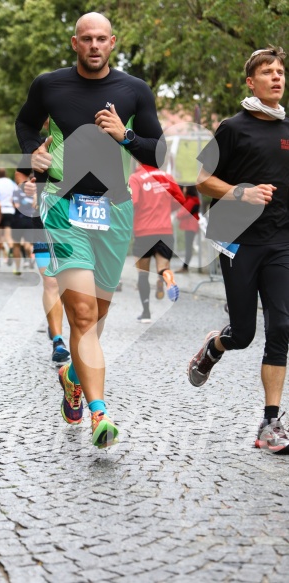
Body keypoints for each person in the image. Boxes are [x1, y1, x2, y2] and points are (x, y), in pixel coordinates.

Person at [15, 12, 165, 448]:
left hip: (115, 210)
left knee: (96, 318)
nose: (95, 45)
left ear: (112, 42)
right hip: (62, 204)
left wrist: (126, 137)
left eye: (102, 38)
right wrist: (32, 154)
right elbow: (27, 124)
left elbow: (156, 154)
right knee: (80, 314)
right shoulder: (50, 85)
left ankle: (72, 375)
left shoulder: (134, 91)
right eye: (87, 39)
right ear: (75, 43)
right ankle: (100, 414)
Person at [187, 46, 289, 454]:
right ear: (251, 82)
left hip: (281, 241)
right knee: (244, 334)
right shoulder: (233, 127)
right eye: (268, 72)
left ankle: (270, 424)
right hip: (239, 239)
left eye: (280, 71)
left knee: (282, 327)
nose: (276, 78)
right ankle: (215, 346)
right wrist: (239, 192)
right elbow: (202, 180)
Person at [14, 168, 71, 367]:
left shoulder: (86, 141)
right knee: (51, 281)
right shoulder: (36, 147)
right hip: (43, 223)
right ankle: (58, 341)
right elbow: (20, 173)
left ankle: (57, 323)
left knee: (71, 283)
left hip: (75, 224)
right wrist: (25, 186)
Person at [130, 164, 184, 323]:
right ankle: (167, 278)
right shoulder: (167, 177)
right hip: (165, 231)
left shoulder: (136, 178)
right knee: (162, 267)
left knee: (143, 273)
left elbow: (133, 202)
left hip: (143, 232)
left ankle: (146, 312)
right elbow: (179, 199)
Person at [175, 185, 201, 273]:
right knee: (188, 247)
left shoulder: (191, 201)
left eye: (185, 189)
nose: (184, 191)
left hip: (190, 226)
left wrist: (179, 213)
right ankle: (185, 266)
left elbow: (180, 214)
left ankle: (185, 267)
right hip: (192, 226)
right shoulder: (194, 200)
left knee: (188, 247)